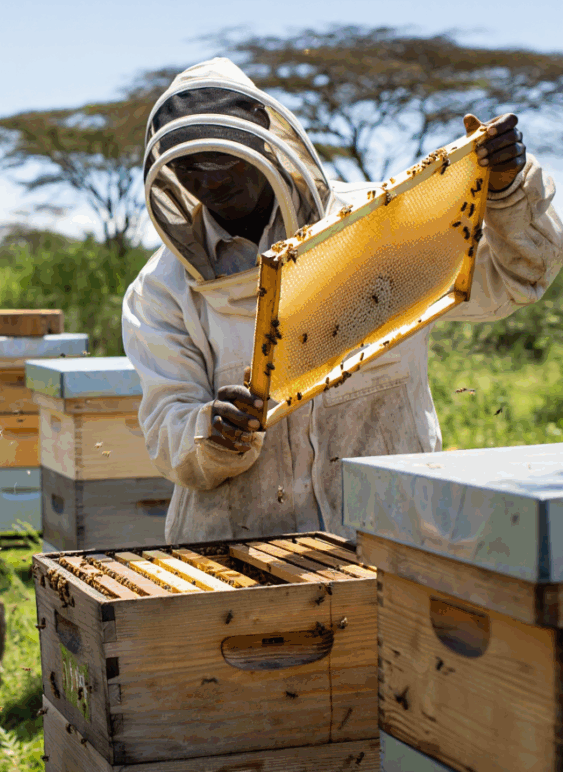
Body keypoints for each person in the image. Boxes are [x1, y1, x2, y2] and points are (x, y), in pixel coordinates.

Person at [122, 58, 563, 544]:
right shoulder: (161, 289)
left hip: (390, 534)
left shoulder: (377, 227)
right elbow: (168, 429)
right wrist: (213, 431)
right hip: (239, 556)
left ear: (260, 134)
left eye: (220, 160)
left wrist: (507, 191)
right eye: (188, 167)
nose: (208, 183)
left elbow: (517, 277)